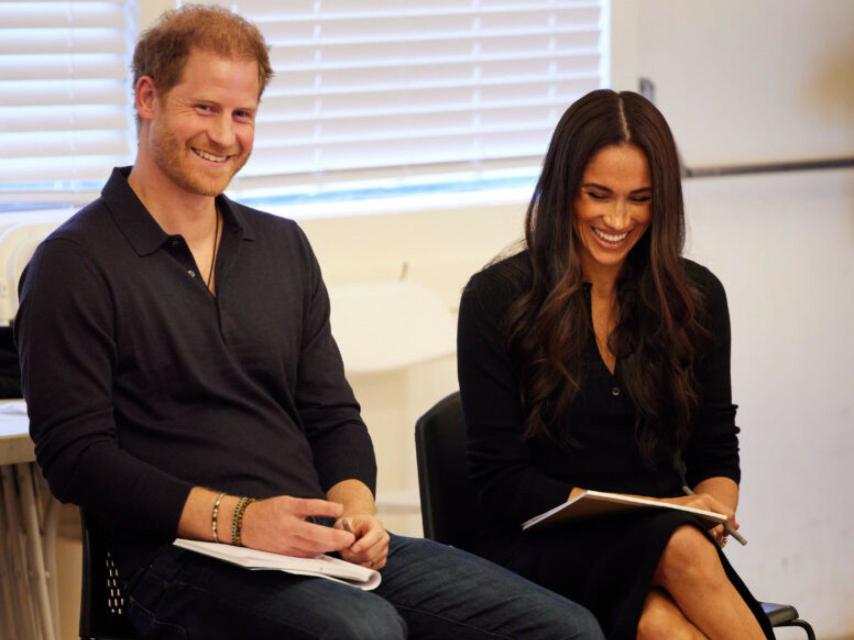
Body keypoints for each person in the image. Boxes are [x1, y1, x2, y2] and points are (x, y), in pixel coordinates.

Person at [15, 7, 606, 640]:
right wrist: (241, 521)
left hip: (316, 547)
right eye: (205, 109)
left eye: (242, 115)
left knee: (565, 627)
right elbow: (76, 459)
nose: (224, 135)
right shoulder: (74, 262)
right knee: (363, 633)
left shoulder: (280, 246)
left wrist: (356, 513)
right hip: (175, 560)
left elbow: (332, 415)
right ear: (147, 97)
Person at [457, 89, 775, 640]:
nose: (618, 218)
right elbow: (502, 484)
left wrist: (713, 510)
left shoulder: (696, 296)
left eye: (640, 198)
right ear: (563, 191)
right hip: (538, 545)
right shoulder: (496, 298)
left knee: (659, 623)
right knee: (676, 545)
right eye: (597, 195)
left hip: (668, 540)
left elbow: (715, 450)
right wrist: (665, 511)